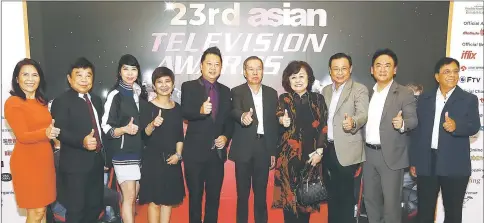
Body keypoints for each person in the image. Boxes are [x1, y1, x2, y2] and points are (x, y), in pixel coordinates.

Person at [410, 57, 480, 223]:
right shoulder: (425, 99)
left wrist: (457, 126)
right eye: (447, 72)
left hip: (454, 164)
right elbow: (417, 132)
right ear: (437, 76)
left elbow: (474, 126)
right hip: (427, 163)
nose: (452, 75)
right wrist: (414, 161)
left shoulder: (468, 99)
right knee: (425, 212)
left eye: (456, 71)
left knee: (453, 213)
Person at [363, 48, 418, 223]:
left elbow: (413, 120)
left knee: (391, 205)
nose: (382, 69)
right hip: (368, 155)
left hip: (392, 157)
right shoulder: (367, 93)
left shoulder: (404, 93)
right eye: (378, 65)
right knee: (370, 201)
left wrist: (402, 124)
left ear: (395, 69)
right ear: (372, 70)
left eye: (387, 65)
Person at [181, 46, 233, 223]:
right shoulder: (188, 86)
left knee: (214, 199)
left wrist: (226, 137)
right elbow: (185, 112)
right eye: (209, 63)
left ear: (221, 67)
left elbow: (229, 121)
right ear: (201, 65)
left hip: (216, 156)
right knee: (195, 198)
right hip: (194, 155)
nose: (213, 67)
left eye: (216, 64)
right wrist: (200, 110)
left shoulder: (226, 91)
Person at [272, 61, 329, 223]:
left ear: (308, 78)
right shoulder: (284, 99)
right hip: (287, 161)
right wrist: (282, 121)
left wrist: (320, 151)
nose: (298, 80)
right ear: (288, 81)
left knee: (306, 205)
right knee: (289, 207)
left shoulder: (318, 99)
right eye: (293, 77)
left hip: (310, 159)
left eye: (301, 76)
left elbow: (324, 127)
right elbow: (277, 120)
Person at [50, 57, 105, 223]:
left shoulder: (96, 100)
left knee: (95, 207)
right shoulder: (61, 101)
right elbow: (60, 131)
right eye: (79, 75)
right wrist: (82, 141)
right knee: (76, 211)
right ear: (69, 78)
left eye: (88, 75)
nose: (84, 79)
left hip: (96, 163)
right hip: (75, 167)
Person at [4, 58, 59, 223]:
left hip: (44, 161)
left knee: (42, 212)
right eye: (25, 74)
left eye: (34, 75)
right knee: (36, 212)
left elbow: (48, 130)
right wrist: (46, 133)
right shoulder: (13, 102)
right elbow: (22, 135)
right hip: (27, 163)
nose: (30, 79)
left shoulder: (42, 102)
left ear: (40, 78)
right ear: (16, 79)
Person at [229, 56, 279, 223]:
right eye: (251, 68)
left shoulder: (272, 93)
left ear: (263, 71)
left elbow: (273, 126)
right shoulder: (237, 91)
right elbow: (234, 110)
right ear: (245, 72)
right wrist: (242, 116)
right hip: (243, 149)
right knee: (242, 195)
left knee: (260, 195)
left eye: (258, 68)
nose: (255, 72)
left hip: (263, 149)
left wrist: (273, 151)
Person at [321, 53, 369, 223]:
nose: (340, 72)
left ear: (351, 69)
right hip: (328, 150)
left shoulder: (359, 89)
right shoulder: (325, 90)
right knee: (332, 197)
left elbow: (363, 114)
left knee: (346, 198)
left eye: (343, 68)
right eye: (336, 69)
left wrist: (353, 122)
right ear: (330, 70)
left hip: (348, 151)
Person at [101, 54, 149, 223]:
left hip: (138, 153)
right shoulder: (115, 95)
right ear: (119, 72)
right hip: (123, 153)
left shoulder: (139, 93)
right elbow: (106, 127)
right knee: (128, 197)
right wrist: (123, 130)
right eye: (125, 69)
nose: (130, 73)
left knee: (133, 196)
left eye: (133, 69)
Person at [138, 67, 186, 223]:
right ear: (154, 85)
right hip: (153, 161)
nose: (164, 85)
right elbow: (143, 136)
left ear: (172, 85)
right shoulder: (147, 107)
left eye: (167, 81)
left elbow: (180, 135)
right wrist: (152, 124)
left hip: (172, 161)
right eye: (159, 82)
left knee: (168, 202)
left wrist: (178, 155)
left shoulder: (178, 108)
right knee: (154, 203)